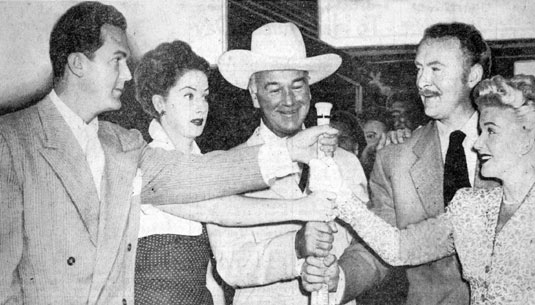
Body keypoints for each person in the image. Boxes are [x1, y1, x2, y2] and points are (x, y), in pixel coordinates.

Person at [0, 3, 337, 304]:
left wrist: (289, 150)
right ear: (77, 64)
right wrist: (298, 205)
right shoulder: (11, 141)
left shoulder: (123, 145)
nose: (129, 74)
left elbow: (202, 179)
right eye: (117, 60)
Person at [311, 74, 535, 305]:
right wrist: (341, 196)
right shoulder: (471, 207)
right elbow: (399, 249)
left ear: (528, 139)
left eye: (491, 131)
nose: (477, 143)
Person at [305, 22, 498, 305]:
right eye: (419, 69)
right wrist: (340, 278)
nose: (422, 82)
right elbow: (376, 247)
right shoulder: (395, 159)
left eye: (435, 69)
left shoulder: (517, 146)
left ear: (473, 75)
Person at [132, 40, 335, 305]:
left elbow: (207, 278)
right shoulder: (145, 166)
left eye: (204, 96)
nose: (200, 107)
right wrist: (303, 208)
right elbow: (220, 208)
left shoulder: (204, 161)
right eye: (188, 95)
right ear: (160, 103)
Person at [207, 22, 369, 305]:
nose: (289, 101)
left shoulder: (346, 163)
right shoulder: (229, 169)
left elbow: (365, 247)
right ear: (254, 95)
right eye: (274, 89)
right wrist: (295, 246)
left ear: (310, 89)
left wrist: (339, 276)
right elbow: (230, 264)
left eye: (297, 86)